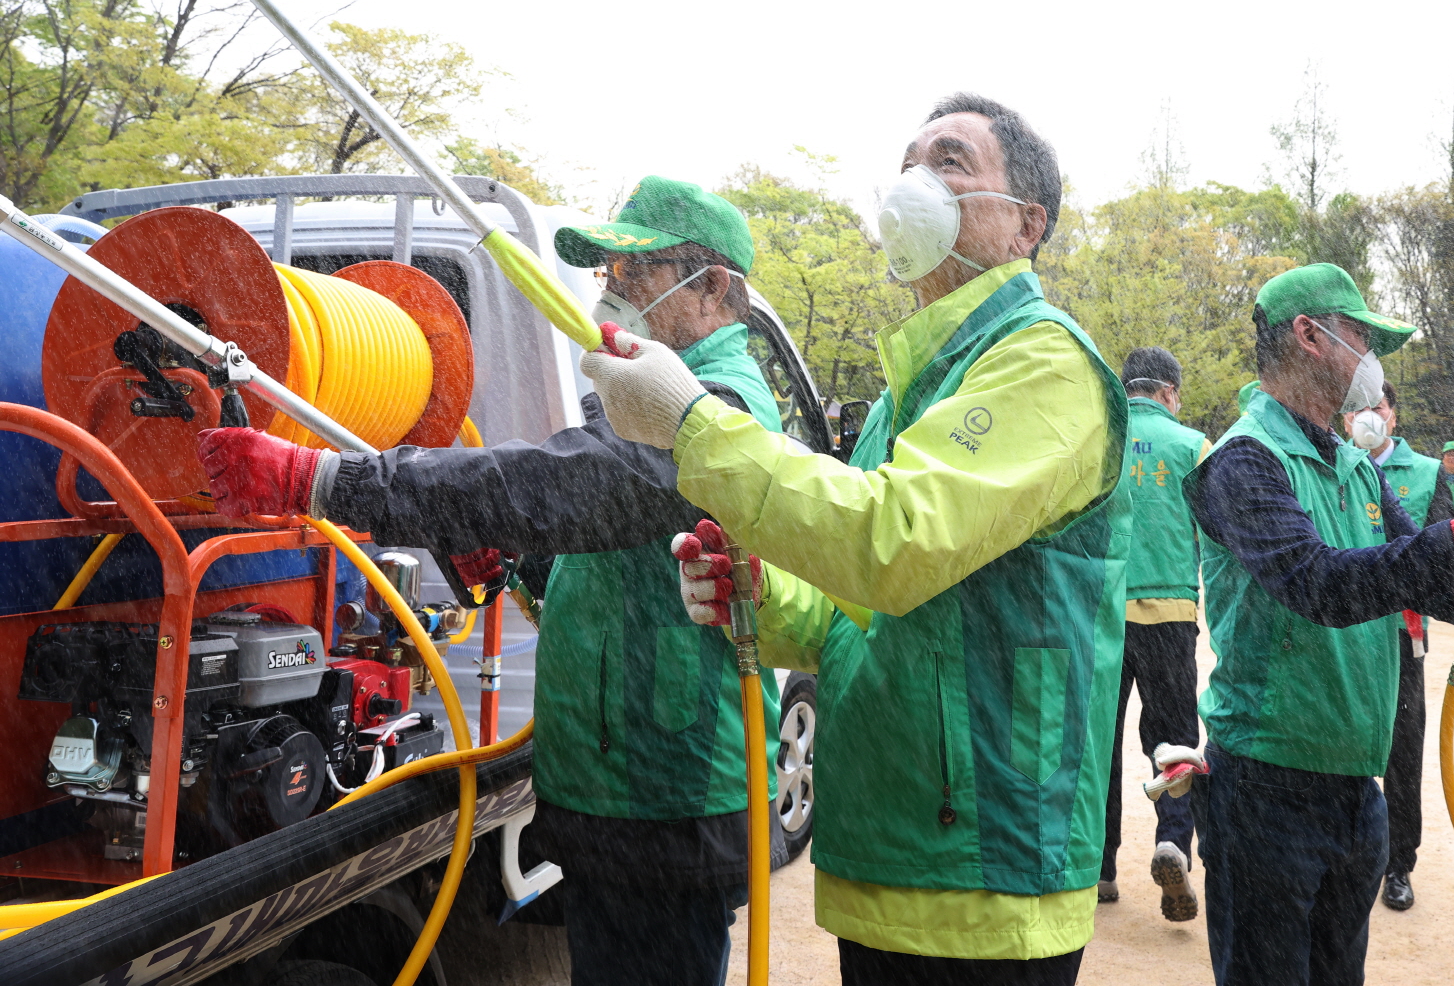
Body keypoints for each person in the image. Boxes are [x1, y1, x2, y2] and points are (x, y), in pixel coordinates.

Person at [584, 93, 1125, 984]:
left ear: (1028, 223)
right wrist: (757, 596)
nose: (918, 180)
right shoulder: (907, 393)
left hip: (985, 875)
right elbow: (859, 615)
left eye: (950, 161)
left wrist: (692, 428)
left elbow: (892, 541)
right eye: (909, 161)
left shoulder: (1045, 362)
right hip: (885, 856)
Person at [196, 177, 787, 986]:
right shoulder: (649, 398)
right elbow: (613, 556)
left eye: (635, 272)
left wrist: (325, 480)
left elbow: (578, 488)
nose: (613, 291)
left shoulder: (718, 405)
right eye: (606, 272)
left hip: (668, 798)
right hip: (622, 787)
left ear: (712, 288)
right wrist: (517, 560)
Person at [1182, 263, 1454, 986]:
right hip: (1265, 787)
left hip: (1356, 788)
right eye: (1361, 337)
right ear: (1309, 336)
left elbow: (1421, 572)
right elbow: (1318, 583)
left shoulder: (1354, 465)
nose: (1373, 361)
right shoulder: (1241, 461)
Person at [1098, 347, 1207, 923]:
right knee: (1174, 741)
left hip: (1105, 611)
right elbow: (1214, 540)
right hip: (1170, 613)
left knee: (1101, 741)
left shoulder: (1101, 441)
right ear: (1169, 391)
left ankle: (1101, 866)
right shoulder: (1193, 447)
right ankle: (1173, 843)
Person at [1340, 381, 1453, 913]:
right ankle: (1344, 855)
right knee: (1342, 744)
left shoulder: (1428, 474)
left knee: (1403, 751)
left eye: (1377, 407)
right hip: (1340, 635)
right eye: (1358, 408)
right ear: (1345, 418)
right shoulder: (1330, 468)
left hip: (1402, 637)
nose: (1368, 416)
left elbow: (1438, 557)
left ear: (1393, 414)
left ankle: (1399, 863)